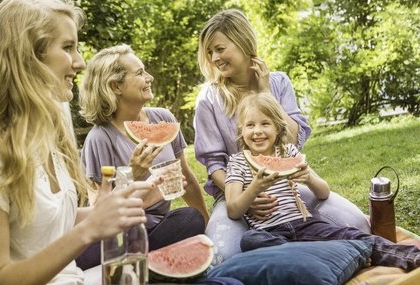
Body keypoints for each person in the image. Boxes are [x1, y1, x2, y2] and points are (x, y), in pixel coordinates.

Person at [0, 1, 156, 284]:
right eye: (67, 48)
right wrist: (90, 228)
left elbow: (43, 225)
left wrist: (104, 210)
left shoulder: (48, 134)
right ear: (27, 56)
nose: (80, 62)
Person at [194, 8, 370, 264]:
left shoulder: (278, 83)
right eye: (210, 52)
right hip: (233, 192)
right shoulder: (208, 98)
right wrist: (247, 197)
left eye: (220, 48)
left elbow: (293, 141)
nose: (215, 57)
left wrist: (266, 93)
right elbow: (215, 166)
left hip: (287, 189)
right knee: (224, 257)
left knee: (358, 224)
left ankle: (304, 252)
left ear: (242, 41)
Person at [225, 92, 420, 272]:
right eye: (250, 125)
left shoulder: (289, 153)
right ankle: (335, 253)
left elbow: (323, 192)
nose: (257, 131)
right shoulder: (238, 162)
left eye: (265, 124)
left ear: (277, 126)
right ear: (241, 130)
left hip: (305, 225)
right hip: (270, 233)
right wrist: (254, 188)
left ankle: (413, 258)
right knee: (250, 240)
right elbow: (233, 210)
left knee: (354, 235)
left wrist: (309, 178)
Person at [77, 44, 210, 270]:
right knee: (85, 255)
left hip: (160, 225)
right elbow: (99, 209)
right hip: (120, 230)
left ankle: (134, 261)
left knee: (191, 219)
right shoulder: (100, 138)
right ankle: (149, 261)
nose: (149, 78)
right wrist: (132, 175)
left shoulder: (163, 118)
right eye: (139, 73)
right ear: (115, 85)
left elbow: (186, 178)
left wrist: (207, 224)